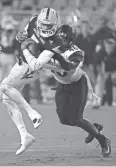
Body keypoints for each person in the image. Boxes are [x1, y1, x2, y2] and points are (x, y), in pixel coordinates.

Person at [25, 24, 111, 157]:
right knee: (64, 119)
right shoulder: (51, 47)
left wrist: (49, 56)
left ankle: (103, 140)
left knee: (76, 117)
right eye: (60, 38)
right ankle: (93, 127)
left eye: (64, 40)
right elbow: (35, 52)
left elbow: (67, 67)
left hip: (77, 84)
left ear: (71, 40)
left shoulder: (76, 53)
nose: (61, 42)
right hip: (62, 85)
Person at [0, 8, 74, 155]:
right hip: (21, 63)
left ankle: (32, 113)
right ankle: (24, 135)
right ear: (39, 21)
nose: (45, 28)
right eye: (43, 25)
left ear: (55, 24)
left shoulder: (57, 41)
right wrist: (20, 36)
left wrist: (24, 48)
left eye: (49, 25)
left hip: (32, 67)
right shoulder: (34, 20)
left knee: (4, 86)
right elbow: (24, 34)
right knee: (6, 99)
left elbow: (36, 65)